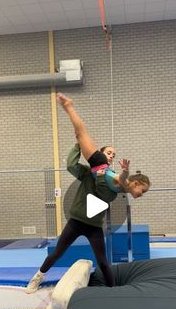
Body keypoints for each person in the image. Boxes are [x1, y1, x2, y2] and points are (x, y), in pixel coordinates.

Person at [26, 93, 150, 293]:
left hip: (93, 226)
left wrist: (126, 172)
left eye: (114, 154)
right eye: (110, 152)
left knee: (102, 261)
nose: (112, 155)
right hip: (76, 220)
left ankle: (113, 291)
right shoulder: (100, 166)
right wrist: (79, 144)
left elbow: (123, 181)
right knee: (57, 252)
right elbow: (74, 165)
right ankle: (37, 277)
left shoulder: (116, 177)